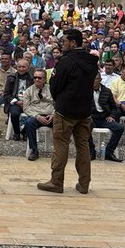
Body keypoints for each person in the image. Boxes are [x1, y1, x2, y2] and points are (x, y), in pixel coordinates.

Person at [38, 28, 97, 195]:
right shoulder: (92, 61)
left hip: (66, 110)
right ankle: (84, 183)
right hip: (85, 110)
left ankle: (56, 182)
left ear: (73, 43)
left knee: (61, 146)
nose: (61, 44)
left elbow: (55, 85)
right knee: (83, 146)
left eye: (64, 41)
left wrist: (60, 100)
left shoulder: (65, 61)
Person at [18, 69, 55, 162]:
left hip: (50, 114)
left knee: (61, 122)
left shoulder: (51, 89)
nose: (37, 79)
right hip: (36, 115)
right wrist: (37, 116)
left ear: (44, 79)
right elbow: (26, 108)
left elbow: (57, 104)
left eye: (39, 78)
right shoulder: (28, 91)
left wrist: (53, 114)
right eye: (35, 77)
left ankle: (58, 150)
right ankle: (34, 150)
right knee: (29, 123)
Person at [89, 70, 124, 162]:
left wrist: (112, 116)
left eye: (96, 79)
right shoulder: (85, 91)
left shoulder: (107, 91)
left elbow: (114, 107)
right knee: (84, 127)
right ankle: (91, 151)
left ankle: (109, 151)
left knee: (119, 128)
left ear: (100, 79)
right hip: (92, 117)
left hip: (104, 117)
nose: (94, 81)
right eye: (92, 79)